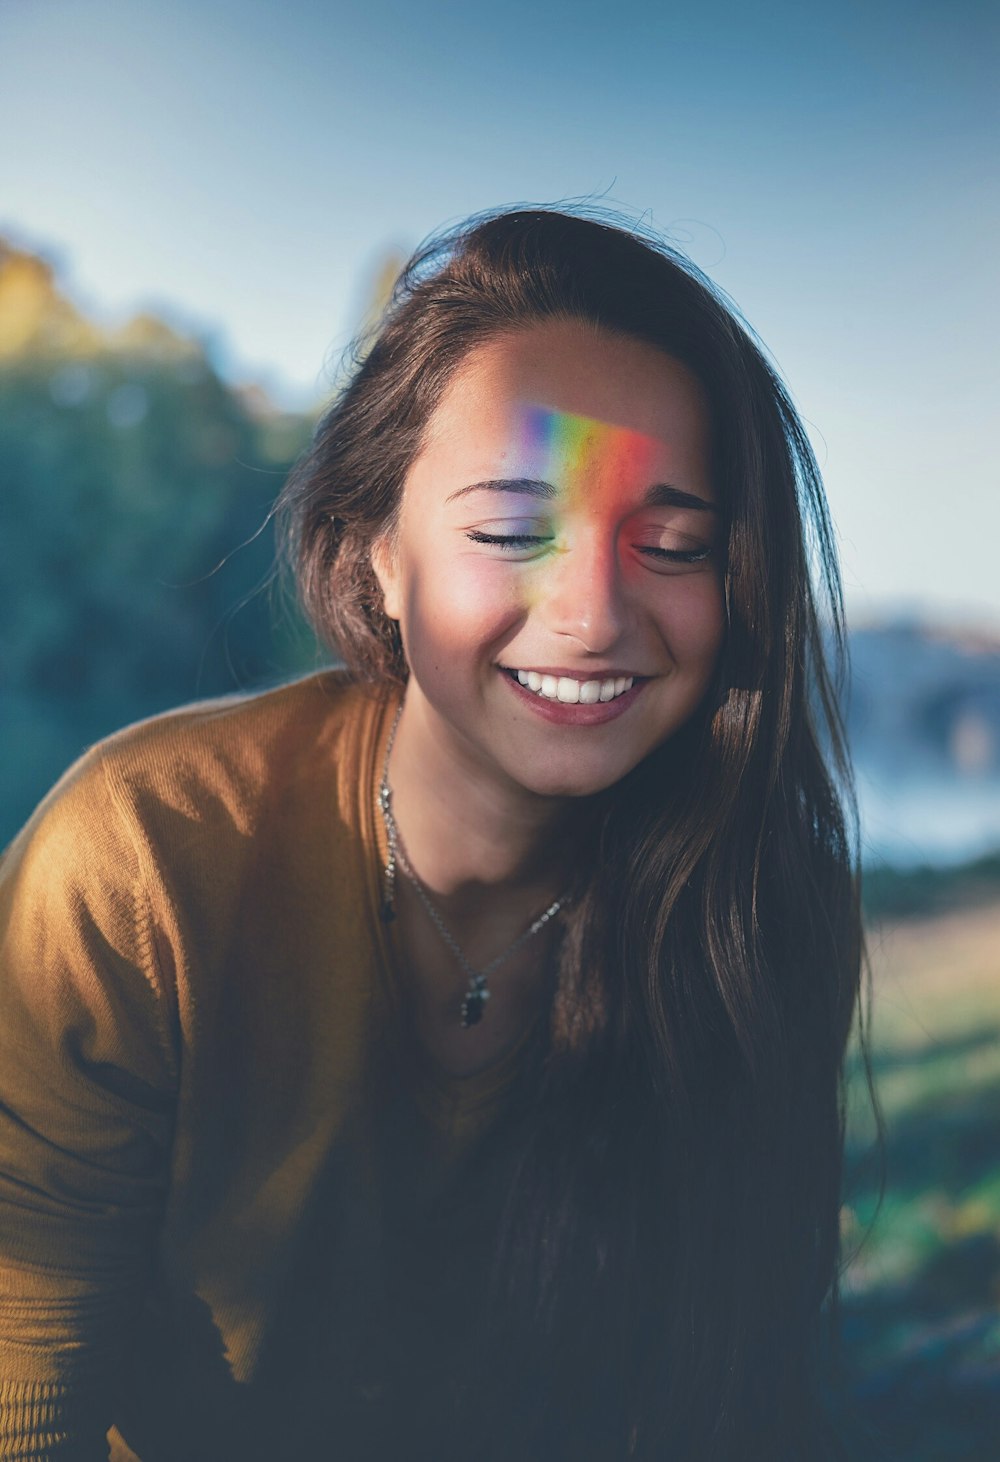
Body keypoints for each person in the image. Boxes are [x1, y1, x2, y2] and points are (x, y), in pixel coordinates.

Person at [0, 207, 877, 1460]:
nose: (592, 612)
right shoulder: (139, 867)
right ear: (378, 556)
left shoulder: (761, 902)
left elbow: (732, 1400)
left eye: (673, 543)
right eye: (512, 529)